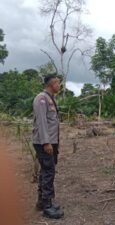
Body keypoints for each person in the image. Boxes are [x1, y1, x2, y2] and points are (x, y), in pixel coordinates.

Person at [32, 74, 64, 219]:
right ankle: (47, 205)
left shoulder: (51, 98)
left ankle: (42, 201)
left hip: (52, 141)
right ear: (52, 84)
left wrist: (54, 143)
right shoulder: (41, 99)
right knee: (48, 171)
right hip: (44, 142)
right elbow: (42, 122)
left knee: (47, 171)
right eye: (58, 83)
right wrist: (46, 142)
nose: (60, 85)